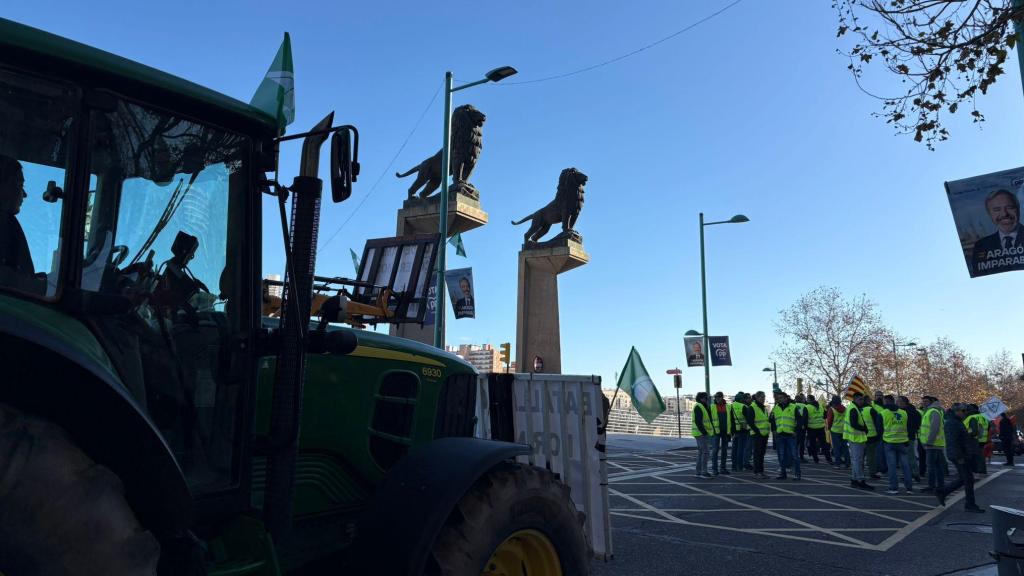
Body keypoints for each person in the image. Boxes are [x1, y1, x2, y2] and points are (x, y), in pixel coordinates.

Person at [0, 155, 39, 292]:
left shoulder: (7, 221)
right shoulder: (4, 222)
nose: (25, 194)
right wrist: (44, 286)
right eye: (20, 185)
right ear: (3, 185)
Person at [936, 404, 984, 513]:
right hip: (959, 455)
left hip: (962, 454)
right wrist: (959, 457)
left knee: (966, 478)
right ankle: (969, 504)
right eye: (963, 410)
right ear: (956, 411)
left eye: (965, 410)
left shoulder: (956, 421)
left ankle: (943, 492)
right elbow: (952, 442)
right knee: (968, 479)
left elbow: (961, 438)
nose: (965, 412)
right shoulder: (952, 423)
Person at [971, 189, 1024, 276]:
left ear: (1018, 209)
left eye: (1010, 207)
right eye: (997, 209)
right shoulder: (981, 246)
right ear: (989, 214)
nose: (1004, 214)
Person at [882, 395, 913, 494]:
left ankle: (893, 488)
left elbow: (879, 428)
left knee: (892, 466)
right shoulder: (903, 413)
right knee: (905, 465)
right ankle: (909, 488)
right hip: (902, 441)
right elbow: (908, 427)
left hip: (889, 442)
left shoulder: (883, 413)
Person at [770, 392, 801, 480]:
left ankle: (797, 474)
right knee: (781, 455)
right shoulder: (775, 408)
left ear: (786, 398)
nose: (779, 399)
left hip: (790, 435)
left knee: (794, 455)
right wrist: (774, 430)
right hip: (780, 434)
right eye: (778, 398)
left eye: (781, 398)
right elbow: (772, 420)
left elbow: (800, 420)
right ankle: (783, 474)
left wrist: (796, 431)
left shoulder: (793, 407)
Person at [845, 392, 874, 490]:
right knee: (858, 461)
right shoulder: (853, 408)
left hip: (855, 438)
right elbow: (854, 424)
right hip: (856, 438)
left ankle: (854, 480)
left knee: (855, 461)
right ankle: (861, 480)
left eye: (862, 399)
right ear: (855, 399)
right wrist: (864, 428)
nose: (862, 401)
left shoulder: (853, 407)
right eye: (860, 399)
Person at [919, 395, 946, 493]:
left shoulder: (933, 411)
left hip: (933, 444)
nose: (924, 403)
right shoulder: (930, 411)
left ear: (931, 402)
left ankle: (932, 486)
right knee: (937, 466)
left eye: (926, 401)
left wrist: (929, 442)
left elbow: (934, 428)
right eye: (923, 401)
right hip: (935, 444)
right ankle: (940, 486)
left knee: (931, 466)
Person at [899, 395, 923, 482]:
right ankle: (910, 473)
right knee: (908, 456)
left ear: (904, 402)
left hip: (908, 436)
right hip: (908, 435)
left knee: (910, 456)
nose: (897, 403)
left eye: (899, 402)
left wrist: (911, 429)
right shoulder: (913, 411)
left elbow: (915, 423)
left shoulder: (908, 412)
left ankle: (914, 473)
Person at [749, 391, 770, 479]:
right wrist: (758, 432)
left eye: (764, 397)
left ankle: (761, 471)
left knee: (761, 454)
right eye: (761, 397)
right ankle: (757, 472)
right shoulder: (752, 407)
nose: (763, 399)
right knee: (757, 454)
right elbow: (750, 422)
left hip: (764, 434)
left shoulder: (763, 407)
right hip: (757, 434)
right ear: (757, 398)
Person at [691, 392, 713, 478]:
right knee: (705, 452)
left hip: (700, 433)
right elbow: (698, 421)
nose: (707, 400)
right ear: (701, 398)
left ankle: (698, 472)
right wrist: (704, 432)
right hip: (701, 433)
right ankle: (704, 472)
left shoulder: (702, 406)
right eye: (706, 398)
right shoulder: (699, 406)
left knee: (701, 453)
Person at [805, 394, 830, 464]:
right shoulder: (820, 407)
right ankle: (828, 458)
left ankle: (816, 459)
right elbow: (825, 416)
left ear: (809, 399)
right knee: (824, 444)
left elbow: (805, 418)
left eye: (807, 399)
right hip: (821, 428)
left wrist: (805, 428)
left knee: (813, 444)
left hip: (811, 428)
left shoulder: (807, 407)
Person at [711, 392, 732, 475]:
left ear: (722, 397)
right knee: (715, 450)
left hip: (726, 432)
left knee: (724, 451)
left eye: (719, 397)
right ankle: (714, 469)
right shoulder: (712, 407)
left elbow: (731, 419)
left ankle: (723, 468)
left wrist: (730, 432)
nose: (717, 398)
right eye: (716, 397)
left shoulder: (728, 407)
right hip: (716, 432)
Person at [964, 405, 989, 474]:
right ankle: (982, 469)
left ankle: (977, 469)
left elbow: (973, 430)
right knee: (980, 455)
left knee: (974, 456)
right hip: (983, 439)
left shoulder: (971, 417)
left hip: (974, 439)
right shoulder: (983, 417)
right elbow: (988, 428)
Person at [828, 396, 850, 468]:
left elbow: (829, 420)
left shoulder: (831, 409)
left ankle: (837, 463)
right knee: (845, 447)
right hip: (844, 430)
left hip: (835, 431)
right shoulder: (845, 409)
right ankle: (847, 463)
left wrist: (829, 428)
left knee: (836, 448)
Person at [730, 392, 749, 472]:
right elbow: (749, 419)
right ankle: (740, 466)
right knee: (741, 449)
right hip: (743, 430)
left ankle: (733, 466)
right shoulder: (743, 406)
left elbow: (730, 419)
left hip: (734, 431)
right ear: (741, 399)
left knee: (734, 449)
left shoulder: (731, 406)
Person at [794, 393, 809, 463]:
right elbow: (806, 418)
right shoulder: (804, 406)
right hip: (802, 427)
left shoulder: (793, 406)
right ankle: (801, 457)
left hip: (794, 427)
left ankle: (794, 456)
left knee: (795, 443)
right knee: (802, 443)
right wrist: (805, 427)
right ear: (802, 400)